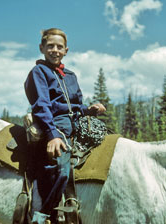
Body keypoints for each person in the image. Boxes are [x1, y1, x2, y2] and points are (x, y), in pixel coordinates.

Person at [24, 28, 105, 224]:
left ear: (66, 50)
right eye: (50, 46)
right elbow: (41, 105)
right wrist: (52, 135)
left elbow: (76, 104)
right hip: (52, 122)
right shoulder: (39, 72)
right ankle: (41, 216)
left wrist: (90, 110)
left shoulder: (71, 75)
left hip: (74, 122)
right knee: (62, 169)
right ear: (41, 48)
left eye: (59, 47)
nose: (55, 50)